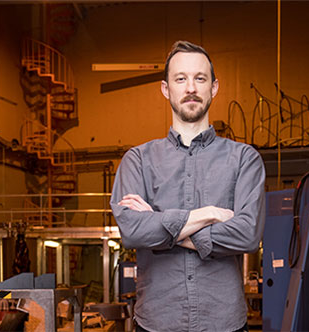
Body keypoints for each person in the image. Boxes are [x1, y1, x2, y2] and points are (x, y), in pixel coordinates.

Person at [110, 40, 265, 332]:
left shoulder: (244, 159)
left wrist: (160, 228)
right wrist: (210, 214)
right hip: (156, 322)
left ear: (214, 88)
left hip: (225, 324)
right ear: (166, 89)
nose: (190, 87)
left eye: (200, 78)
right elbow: (132, 231)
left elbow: (247, 235)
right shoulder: (137, 160)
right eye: (181, 79)